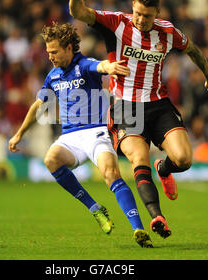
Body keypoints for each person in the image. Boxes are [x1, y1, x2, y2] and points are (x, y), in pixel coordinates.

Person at [67, 0, 208, 239]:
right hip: (126, 106)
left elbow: (192, 49)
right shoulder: (117, 22)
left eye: (146, 16)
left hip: (158, 105)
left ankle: (165, 169)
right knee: (139, 159)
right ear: (132, 7)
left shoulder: (167, 32)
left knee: (184, 160)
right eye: (137, 13)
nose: (140, 20)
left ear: (157, 13)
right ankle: (156, 216)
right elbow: (79, 13)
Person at [8, 22, 153, 248]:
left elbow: (100, 66)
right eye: (48, 52)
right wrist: (18, 134)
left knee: (111, 173)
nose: (51, 57)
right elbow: (39, 106)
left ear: (68, 48)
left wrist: (110, 67)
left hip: (97, 132)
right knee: (51, 160)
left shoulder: (83, 64)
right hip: (71, 137)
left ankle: (138, 229)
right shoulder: (53, 76)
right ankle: (95, 208)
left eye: (54, 52)